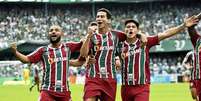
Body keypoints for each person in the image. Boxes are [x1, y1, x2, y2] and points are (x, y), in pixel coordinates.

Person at [116, 16, 198, 101]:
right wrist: (116, 58)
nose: (131, 29)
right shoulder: (119, 45)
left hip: (142, 86)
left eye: (133, 27)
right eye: (128, 27)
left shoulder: (145, 41)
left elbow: (165, 34)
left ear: (137, 30)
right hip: (125, 87)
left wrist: (183, 25)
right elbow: (110, 50)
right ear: (124, 30)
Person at [10, 25, 85, 101]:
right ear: (48, 34)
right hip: (47, 91)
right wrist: (15, 52)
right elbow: (26, 59)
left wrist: (87, 38)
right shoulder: (43, 51)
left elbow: (84, 45)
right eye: (51, 30)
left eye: (56, 30)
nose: (53, 31)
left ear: (62, 33)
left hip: (64, 92)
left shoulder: (68, 47)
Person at [81, 8, 128, 101]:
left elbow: (132, 37)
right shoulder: (92, 36)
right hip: (93, 77)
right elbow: (83, 54)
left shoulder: (116, 35)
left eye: (102, 16)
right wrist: (88, 37)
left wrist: (140, 35)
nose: (99, 18)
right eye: (98, 17)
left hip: (109, 79)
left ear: (109, 20)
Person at [187, 13, 201, 101]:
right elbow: (191, 27)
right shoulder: (198, 40)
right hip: (198, 77)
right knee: (195, 96)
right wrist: (199, 16)